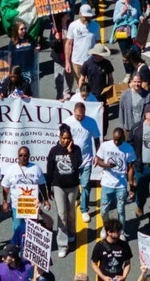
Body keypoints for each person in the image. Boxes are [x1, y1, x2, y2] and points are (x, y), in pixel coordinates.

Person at [62, 102, 102, 223]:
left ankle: (84, 209)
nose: (80, 117)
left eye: (82, 115)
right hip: (72, 159)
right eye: (78, 115)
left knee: (85, 185)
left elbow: (96, 139)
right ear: (74, 112)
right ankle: (77, 197)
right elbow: (62, 140)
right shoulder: (67, 122)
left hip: (86, 159)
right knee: (74, 183)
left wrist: (97, 156)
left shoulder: (91, 122)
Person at [46, 124, 82, 258]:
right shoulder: (54, 151)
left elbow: (77, 164)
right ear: (59, 137)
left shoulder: (76, 149)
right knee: (61, 214)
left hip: (72, 186)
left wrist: (70, 151)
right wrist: (49, 187)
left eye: (68, 138)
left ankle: (72, 233)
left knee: (71, 212)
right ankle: (62, 244)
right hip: (58, 186)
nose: (65, 140)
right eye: (63, 138)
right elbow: (50, 170)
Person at [95, 127, 136, 231]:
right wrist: (106, 165)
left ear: (123, 137)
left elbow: (131, 168)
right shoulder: (105, 146)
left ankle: (121, 232)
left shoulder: (128, 149)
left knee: (121, 210)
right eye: (114, 139)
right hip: (107, 183)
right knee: (103, 211)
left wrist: (131, 186)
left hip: (121, 185)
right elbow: (98, 160)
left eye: (118, 139)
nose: (116, 142)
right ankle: (107, 228)